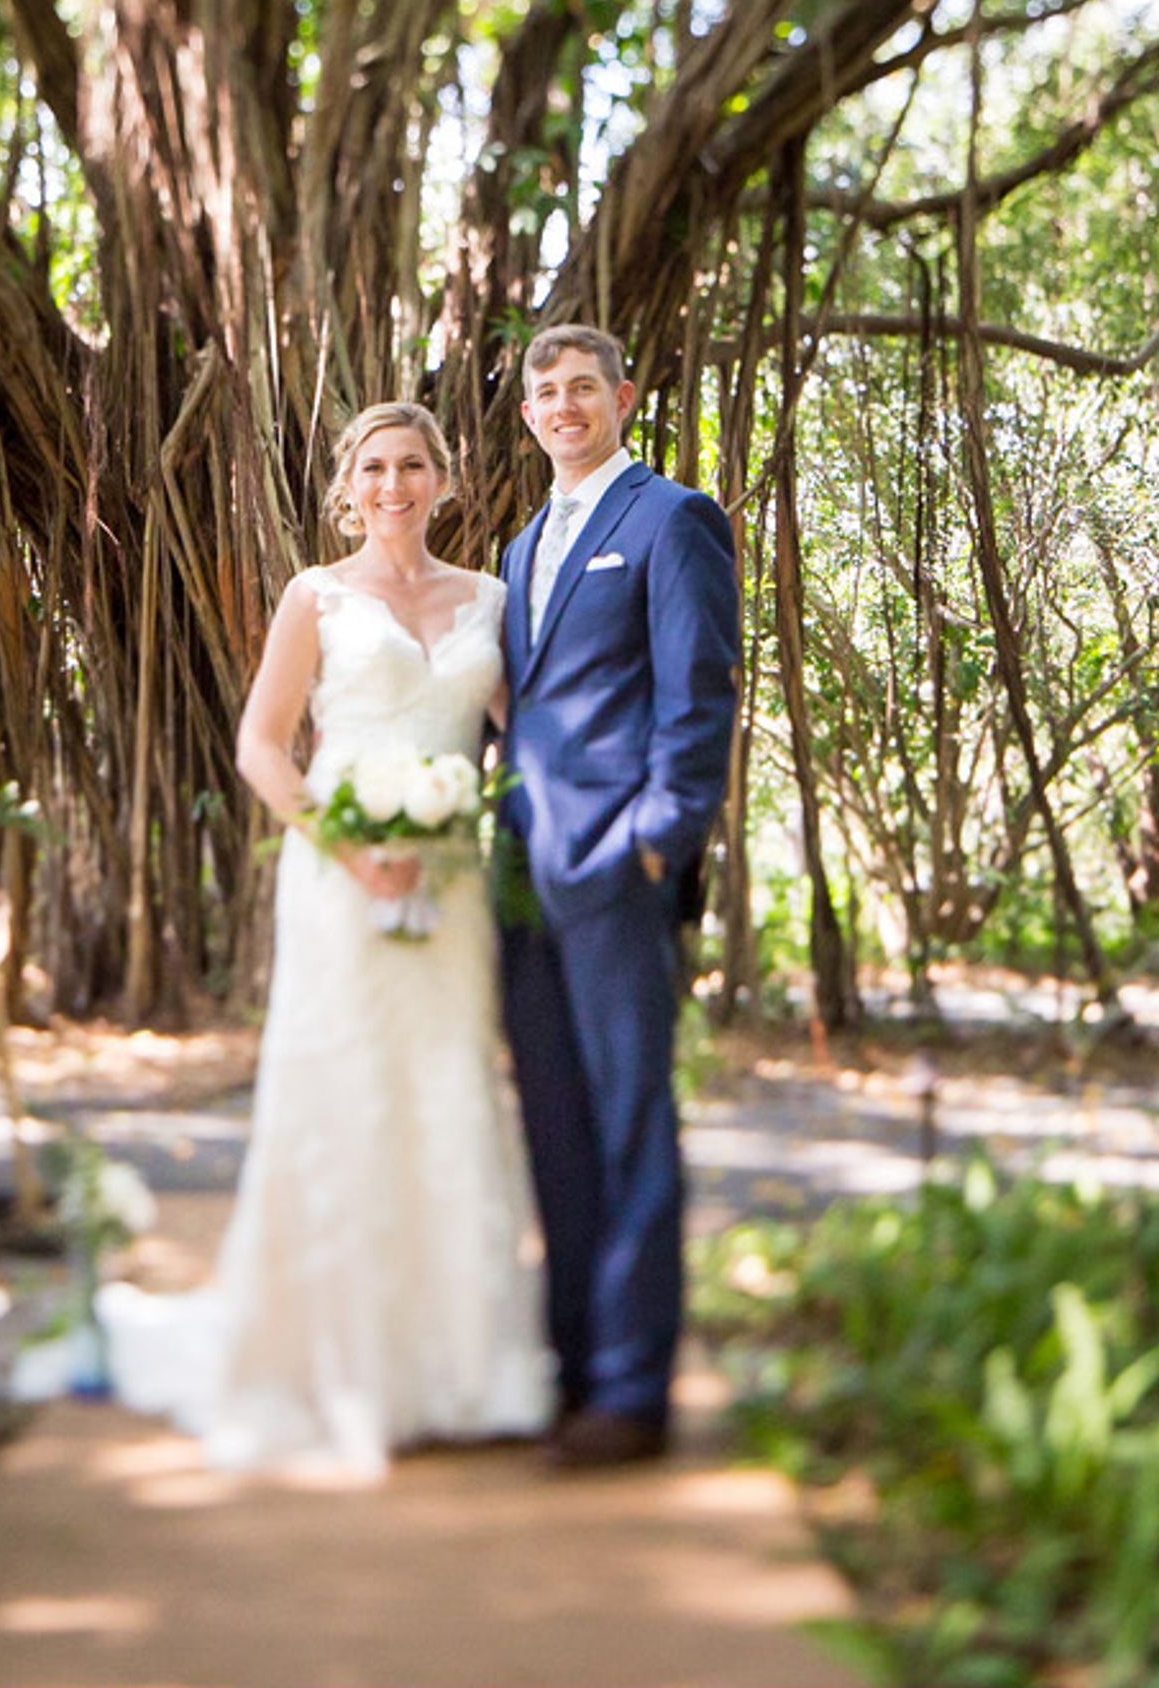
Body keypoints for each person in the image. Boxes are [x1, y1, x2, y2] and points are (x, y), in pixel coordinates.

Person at [97, 401, 555, 1476]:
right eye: (372, 468)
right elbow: (261, 745)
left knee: (444, 1089)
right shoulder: (318, 596)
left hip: (443, 877)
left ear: (446, 478)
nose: (392, 485)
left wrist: (481, 824)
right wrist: (348, 844)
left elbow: (528, 733)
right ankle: (338, 1361)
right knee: (344, 1090)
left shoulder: (493, 598)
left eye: (412, 465)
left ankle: (458, 1363)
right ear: (346, 485)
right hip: (340, 878)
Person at [495, 323, 743, 1469]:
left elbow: (698, 692)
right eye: (546, 391)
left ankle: (635, 1393)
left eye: (583, 386)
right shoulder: (517, 545)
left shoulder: (669, 518)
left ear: (624, 397)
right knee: (555, 1126)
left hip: (619, 869)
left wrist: (658, 840)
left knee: (633, 1120)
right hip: (525, 879)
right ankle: (573, 1369)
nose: (563, 405)